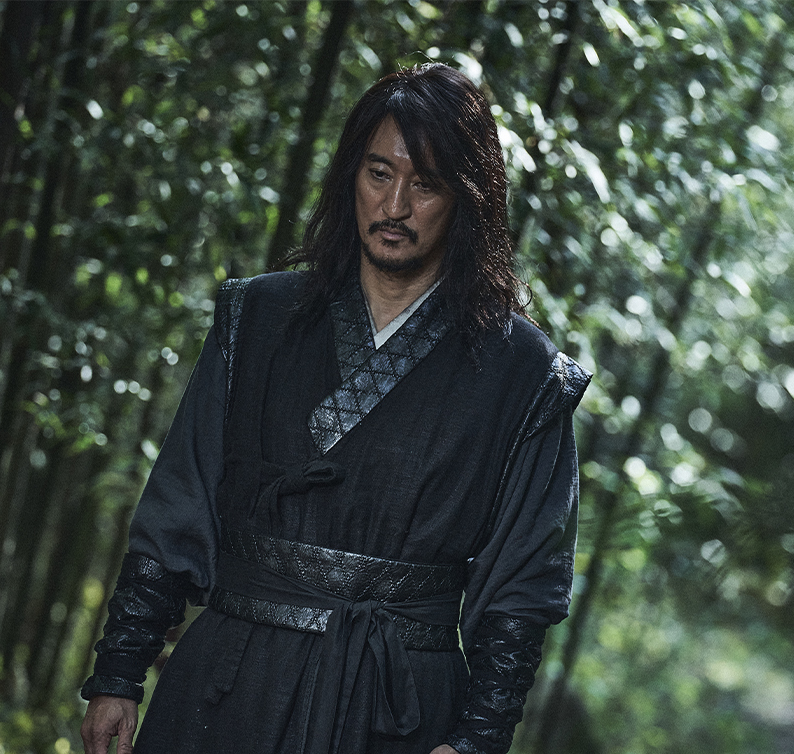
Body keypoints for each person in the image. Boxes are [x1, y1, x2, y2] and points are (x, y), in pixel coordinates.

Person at [80, 64, 590, 754]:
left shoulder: (522, 373)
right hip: (231, 682)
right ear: (352, 175)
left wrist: (478, 739)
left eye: (426, 184)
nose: (395, 205)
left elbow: (522, 584)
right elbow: (180, 503)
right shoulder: (258, 318)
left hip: (395, 704)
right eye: (379, 174)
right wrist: (119, 671)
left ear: (466, 200)